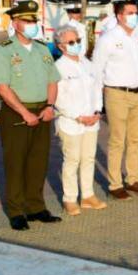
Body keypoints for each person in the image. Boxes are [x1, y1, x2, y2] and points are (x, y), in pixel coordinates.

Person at [0, 0, 62, 231]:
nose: (33, 24)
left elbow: (53, 80)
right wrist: (24, 112)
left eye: (34, 20)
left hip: (43, 111)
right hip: (16, 113)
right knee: (16, 162)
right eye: (28, 20)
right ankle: (16, 210)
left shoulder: (42, 49)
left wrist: (50, 106)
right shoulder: (4, 50)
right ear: (15, 22)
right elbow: (2, 86)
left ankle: (35, 207)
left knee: (38, 161)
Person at [91, 0, 138, 201]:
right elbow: (97, 70)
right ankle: (115, 183)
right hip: (116, 92)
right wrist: (96, 103)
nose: (134, 15)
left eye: (135, 12)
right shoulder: (108, 38)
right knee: (117, 140)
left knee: (136, 139)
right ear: (119, 16)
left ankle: (133, 179)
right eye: (130, 12)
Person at [52, 24, 105, 216]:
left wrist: (98, 111)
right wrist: (78, 116)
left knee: (89, 158)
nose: (76, 45)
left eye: (78, 41)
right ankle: (70, 198)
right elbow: (59, 97)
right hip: (72, 122)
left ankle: (88, 195)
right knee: (72, 160)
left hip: (92, 120)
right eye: (71, 42)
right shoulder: (58, 67)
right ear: (61, 46)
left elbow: (97, 88)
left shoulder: (87, 64)